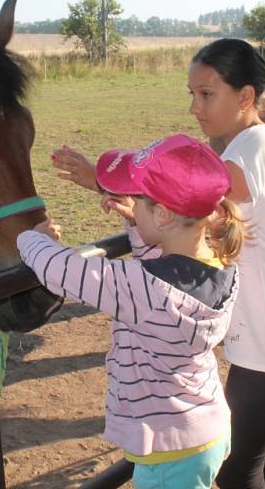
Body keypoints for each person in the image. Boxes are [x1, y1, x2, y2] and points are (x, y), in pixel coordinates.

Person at [53, 38, 265, 489]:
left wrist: (103, 181)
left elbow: (192, 199)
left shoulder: (252, 147)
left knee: (237, 473)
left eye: (207, 94)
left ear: (245, 97)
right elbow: (192, 217)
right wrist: (140, 210)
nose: (195, 107)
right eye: (192, 94)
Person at [18, 134, 248, 489]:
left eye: (137, 201)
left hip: (169, 453)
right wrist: (140, 227)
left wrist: (30, 237)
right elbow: (167, 272)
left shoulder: (145, 288)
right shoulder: (219, 263)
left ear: (163, 214)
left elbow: (61, 271)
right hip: (203, 429)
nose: (131, 205)